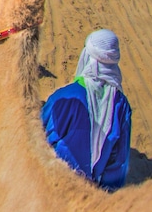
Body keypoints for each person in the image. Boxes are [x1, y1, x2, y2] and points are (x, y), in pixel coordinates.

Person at [41, 29, 133, 192]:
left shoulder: (66, 97)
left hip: (52, 185)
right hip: (92, 196)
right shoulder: (122, 106)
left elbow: (39, 134)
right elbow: (119, 160)